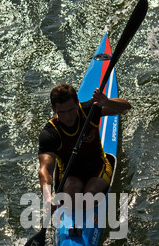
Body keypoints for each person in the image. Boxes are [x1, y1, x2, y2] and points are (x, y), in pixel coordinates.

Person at [38, 83, 131, 212]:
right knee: (71, 191)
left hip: (98, 168)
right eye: (62, 112)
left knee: (89, 195)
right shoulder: (50, 133)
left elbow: (126, 107)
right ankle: (74, 222)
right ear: (53, 109)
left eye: (71, 110)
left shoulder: (89, 110)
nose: (68, 117)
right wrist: (48, 197)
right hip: (70, 175)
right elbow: (45, 169)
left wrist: (107, 102)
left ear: (77, 103)